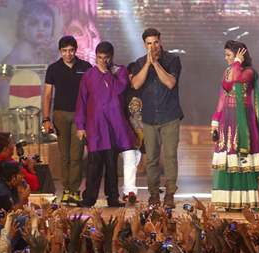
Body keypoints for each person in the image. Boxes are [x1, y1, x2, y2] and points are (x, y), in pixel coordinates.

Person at [210, 40, 259, 210]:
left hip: (243, 120)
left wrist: (237, 62)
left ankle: (245, 202)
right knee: (228, 157)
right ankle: (229, 201)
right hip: (227, 120)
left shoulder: (250, 73)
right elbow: (224, 93)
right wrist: (215, 119)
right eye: (226, 55)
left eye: (229, 55)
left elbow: (235, 81)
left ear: (240, 54)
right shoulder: (228, 71)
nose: (226, 59)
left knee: (241, 157)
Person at [75, 41, 135, 207]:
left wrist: (106, 73)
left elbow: (118, 90)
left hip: (113, 127)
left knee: (111, 164)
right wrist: (80, 125)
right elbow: (81, 101)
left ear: (111, 58)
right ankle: (89, 198)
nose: (102, 61)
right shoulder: (88, 75)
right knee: (94, 165)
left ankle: (112, 198)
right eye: (99, 58)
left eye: (105, 58)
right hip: (95, 127)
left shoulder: (119, 71)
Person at [131, 28, 184, 208]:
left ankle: (169, 194)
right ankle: (154, 194)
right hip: (149, 118)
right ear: (144, 45)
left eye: (155, 42)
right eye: (149, 43)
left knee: (170, 157)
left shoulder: (172, 60)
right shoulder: (139, 63)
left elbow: (170, 83)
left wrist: (156, 64)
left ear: (160, 41)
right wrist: (147, 64)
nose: (152, 46)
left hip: (170, 116)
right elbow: (136, 84)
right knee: (151, 159)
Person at [43, 36, 92, 206]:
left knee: (76, 155)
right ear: (60, 51)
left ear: (76, 50)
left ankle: (75, 190)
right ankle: (66, 190)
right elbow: (48, 95)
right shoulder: (53, 69)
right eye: (64, 51)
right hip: (60, 115)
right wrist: (46, 119)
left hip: (80, 116)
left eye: (71, 50)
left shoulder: (85, 67)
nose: (68, 54)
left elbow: (91, 94)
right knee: (65, 156)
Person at [121, 62, 144, 204]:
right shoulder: (123, 92)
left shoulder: (145, 92)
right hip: (127, 133)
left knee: (135, 161)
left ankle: (126, 191)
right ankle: (130, 191)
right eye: (130, 75)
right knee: (129, 161)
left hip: (142, 133)